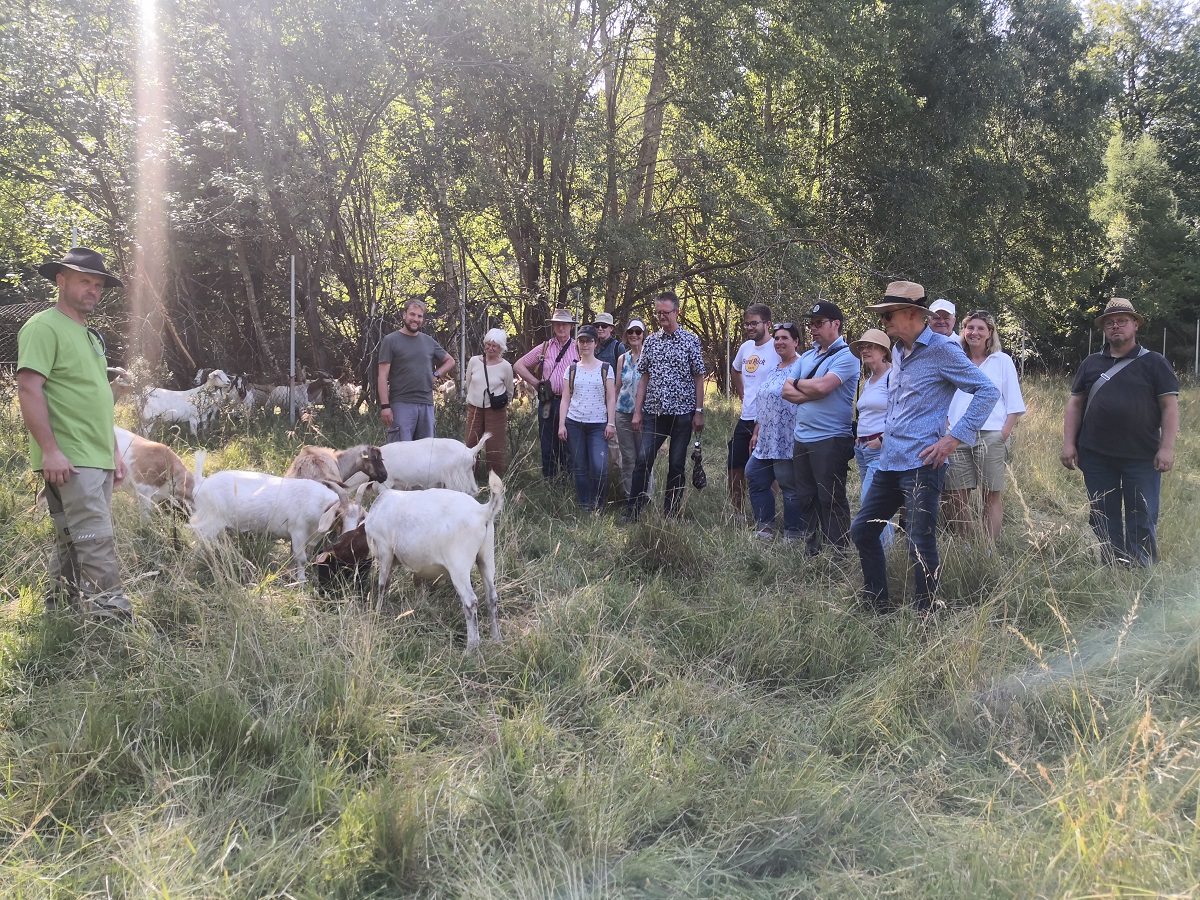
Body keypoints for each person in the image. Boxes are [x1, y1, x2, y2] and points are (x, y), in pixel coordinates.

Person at [849, 281, 1000, 613]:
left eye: (888, 314)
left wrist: (953, 438)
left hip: (921, 463)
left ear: (911, 314)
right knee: (862, 531)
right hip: (889, 462)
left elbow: (986, 391)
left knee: (921, 540)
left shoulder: (943, 350)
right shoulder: (900, 352)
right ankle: (876, 605)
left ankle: (927, 612)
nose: (884, 321)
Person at [16, 247, 132, 619]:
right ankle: (111, 621)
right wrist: (49, 450)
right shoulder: (43, 326)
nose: (93, 290)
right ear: (60, 280)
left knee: (72, 539)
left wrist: (113, 452)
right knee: (96, 539)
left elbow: (97, 401)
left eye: (98, 285)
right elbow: (29, 388)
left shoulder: (91, 336)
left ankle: (58, 613)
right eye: (85, 281)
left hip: (95, 455)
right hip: (69, 456)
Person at [1062, 298, 1179, 566]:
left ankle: (1141, 566)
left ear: (1135, 325)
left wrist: (1167, 447)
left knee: (1143, 512)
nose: (1116, 326)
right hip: (1095, 454)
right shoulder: (1091, 363)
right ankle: (1112, 563)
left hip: (1142, 455)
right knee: (1103, 512)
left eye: (1122, 321)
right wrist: (1069, 443)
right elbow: (1075, 404)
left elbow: (1169, 407)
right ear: (1104, 328)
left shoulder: (1155, 363)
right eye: (1110, 322)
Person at [781, 301, 859, 556]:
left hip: (831, 438)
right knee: (807, 497)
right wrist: (809, 390)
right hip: (802, 436)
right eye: (811, 324)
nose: (813, 329)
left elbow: (823, 387)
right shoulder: (810, 356)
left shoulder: (848, 356)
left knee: (831, 497)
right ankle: (813, 550)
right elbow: (786, 390)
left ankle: (838, 554)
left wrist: (802, 384)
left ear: (835, 324)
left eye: (819, 324)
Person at [623, 291, 706, 521]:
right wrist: (637, 412)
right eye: (658, 312)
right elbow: (644, 377)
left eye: (666, 312)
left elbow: (699, 377)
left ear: (677, 312)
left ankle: (670, 513)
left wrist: (699, 411)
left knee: (676, 465)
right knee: (642, 461)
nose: (661, 316)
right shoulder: (650, 341)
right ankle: (633, 511)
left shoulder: (690, 340)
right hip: (654, 414)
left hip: (682, 415)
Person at [945, 310, 1026, 543]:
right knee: (956, 494)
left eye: (981, 328)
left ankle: (987, 547)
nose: (975, 333)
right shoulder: (955, 359)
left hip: (992, 434)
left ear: (990, 333)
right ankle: (967, 545)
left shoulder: (1002, 360)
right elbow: (944, 395)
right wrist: (946, 423)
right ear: (963, 331)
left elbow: (1014, 402)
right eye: (970, 328)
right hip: (957, 435)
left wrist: (1004, 433)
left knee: (990, 494)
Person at [745, 322, 804, 540]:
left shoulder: (802, 366)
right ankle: (765, 528)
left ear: (795, 341)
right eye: (777, 338)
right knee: (754, 476)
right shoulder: (774, 368)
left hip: (788, 439)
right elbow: (765, 402)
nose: (779, 342)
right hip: (766, 439)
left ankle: (794, 533)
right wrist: (756, 431)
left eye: (784, 338)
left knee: (789, 486)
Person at [377, 299, 456, 442]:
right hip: (401, 404)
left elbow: (450, 361)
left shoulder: (428, 341)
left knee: (427, 454)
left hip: (426, 404)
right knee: (402, 453)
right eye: (412, 314)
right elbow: (382, 375)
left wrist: (436, 375)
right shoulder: (391, 340)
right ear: (404, 315)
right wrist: (385, 406)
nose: (415, 319)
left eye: (419, 316)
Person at [514, 308, 580, 479]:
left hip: (572, 403)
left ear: (570, 327)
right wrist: (536, 383)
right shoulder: (544, 347)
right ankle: (550, 482)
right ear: (553, 326)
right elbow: (519, 365)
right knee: (547, 443)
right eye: (558, 324)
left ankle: (566, 482)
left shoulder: (578, 348)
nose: (561, 328)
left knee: (568, 443)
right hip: (548, 402)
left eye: (565, 324)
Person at [559, 325, 617, 510]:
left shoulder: (606, 369)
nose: (585, 345)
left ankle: (598, 503)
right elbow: (565, 398)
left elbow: (610, 398)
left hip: (598, 425)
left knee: (599, 466)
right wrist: (562, 424)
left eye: (589, 341)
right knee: (580, 466)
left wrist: (611, 423)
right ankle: (584, 504)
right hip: (574, 423)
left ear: (595, 343)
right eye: (582, 341)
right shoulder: (572, 369)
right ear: (577, 344)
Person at [729, 304, 780, 514]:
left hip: (769, 419)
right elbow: (735, 369)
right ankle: (737, 514)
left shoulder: (777, 348)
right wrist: (743, 395)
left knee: (768, 469)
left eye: (754, 323)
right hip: (747, 416)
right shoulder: (745, 348)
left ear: (767, 324)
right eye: (747, 324)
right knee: (734, 465)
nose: (750, 327)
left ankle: (767, 511)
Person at [849, 328, 895, 549]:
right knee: (873, 503)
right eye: (862, 347)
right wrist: (859, 437)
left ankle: (883, 554)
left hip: (880, 449)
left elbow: (902, 413)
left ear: (884, 351)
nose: (864, 350)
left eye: (870, 346)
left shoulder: (893, 377)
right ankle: (883, 551)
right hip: (864, 448)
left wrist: (883, 438)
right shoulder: (868, 380)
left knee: (872, 504)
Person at [463, 327, 515, 475]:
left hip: (496, 411)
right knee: (470, 443)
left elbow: (509, 390)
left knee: (495, 447)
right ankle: (469, 475)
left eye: (495, 346)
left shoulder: (506, 366)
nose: (490, 348)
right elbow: (468, 383)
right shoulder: (474, 361)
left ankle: (494, 478)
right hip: (474, 409)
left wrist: (502, 405)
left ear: (501, 348)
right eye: (488, 344)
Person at [614, 319, 648, 498]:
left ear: (643, 335)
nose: (634, 335)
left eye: (638, 331)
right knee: (628, 458)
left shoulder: (650, 356)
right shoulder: (622, 358)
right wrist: (611, 412)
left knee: (643, 457)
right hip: (623, 413)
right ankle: (630, 498)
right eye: (630, 332)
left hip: (644, 415)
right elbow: (618, 386)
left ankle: (645, 497)